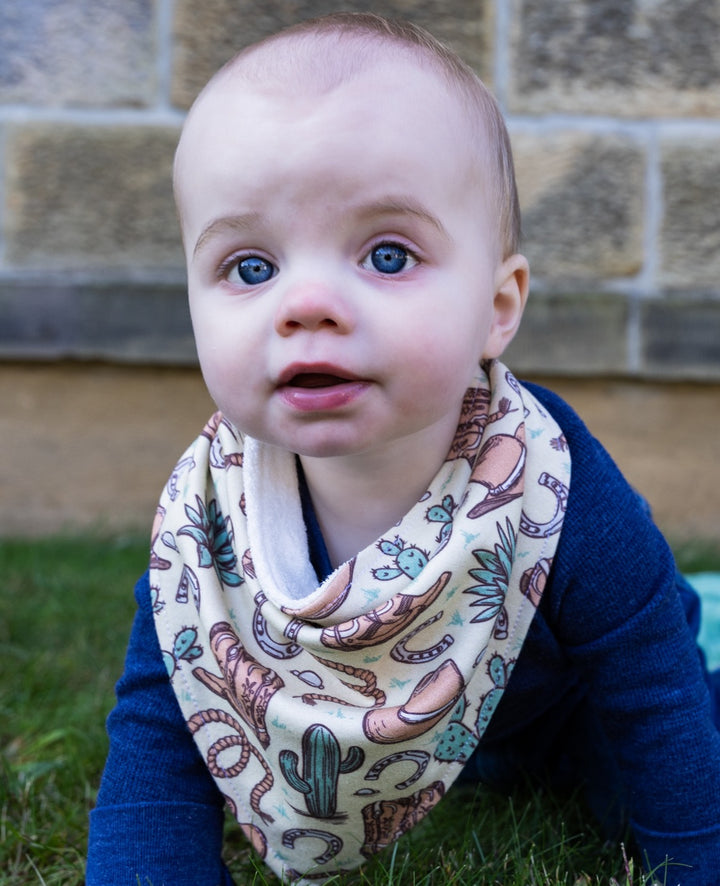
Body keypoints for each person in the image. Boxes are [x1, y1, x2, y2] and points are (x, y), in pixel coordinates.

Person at [86, 12, 720, 886]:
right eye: (251, 267)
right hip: (452, 735)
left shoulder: (547, 482)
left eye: (387, 254)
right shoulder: (208, 520)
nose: (306, 303)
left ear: (498, 308)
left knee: (641, 768)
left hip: (573, 704)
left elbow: (651, 683)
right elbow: (163, 720)